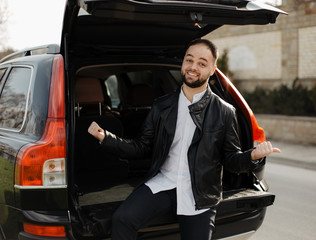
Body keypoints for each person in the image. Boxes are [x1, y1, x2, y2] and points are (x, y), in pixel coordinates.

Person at [88, 38, 281, 240]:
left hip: (200, 193)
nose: (193, 67)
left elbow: (231, 160)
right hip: (163, 184)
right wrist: (106, 138)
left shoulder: (224, 112)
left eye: (201, 63)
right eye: (189, 60)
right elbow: (140, 147)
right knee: (122, 219)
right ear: (183, 63)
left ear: (212, 70)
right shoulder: (162, 106)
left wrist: (253, 156)